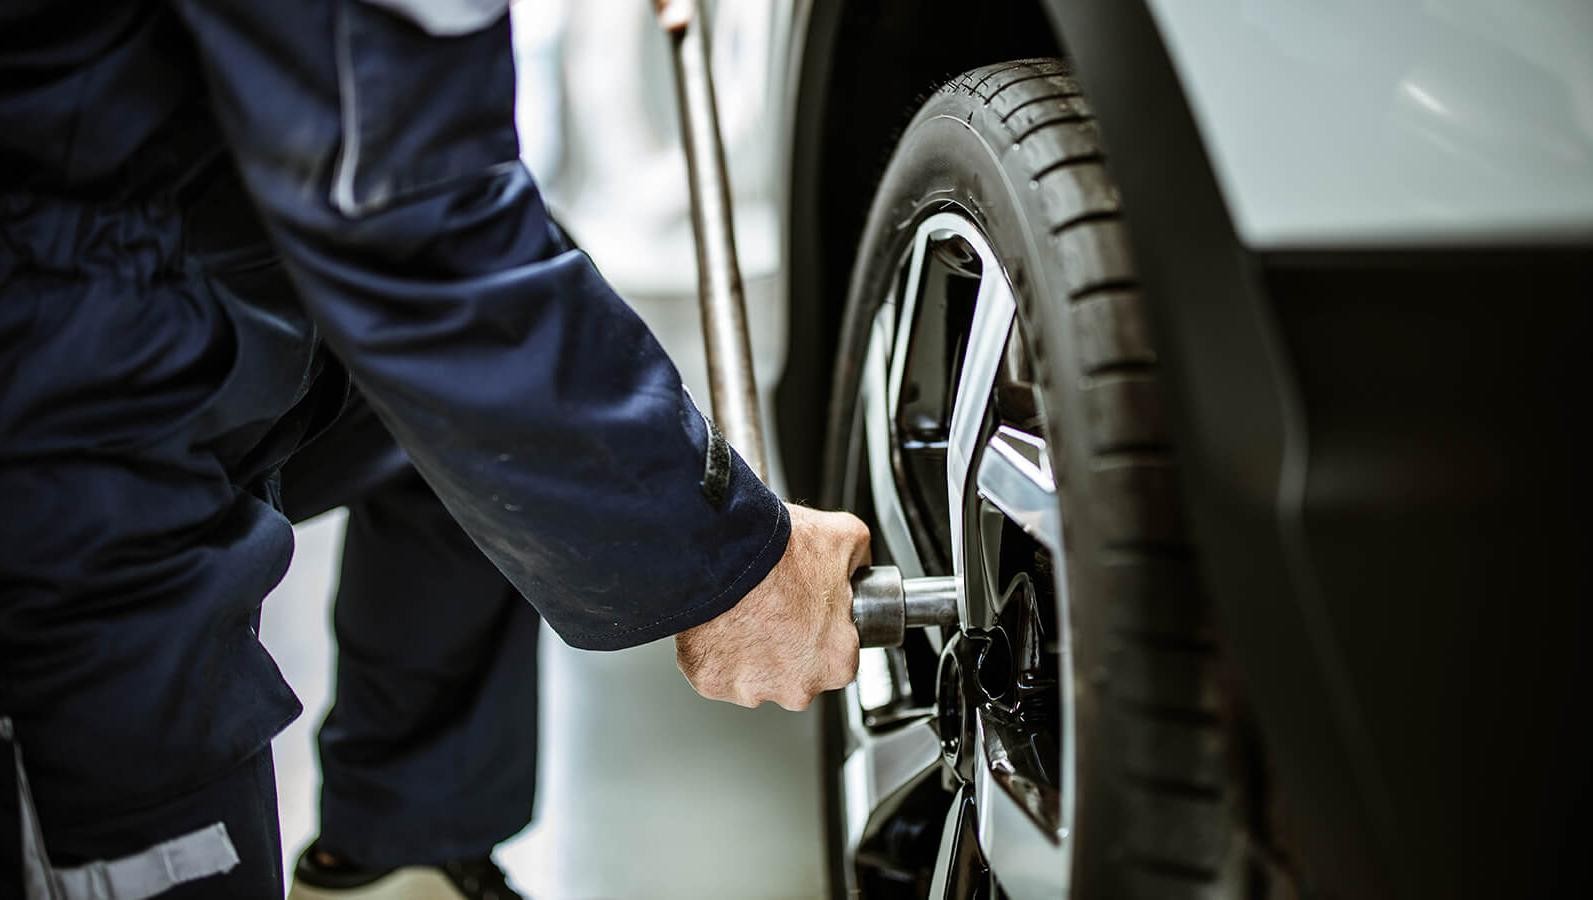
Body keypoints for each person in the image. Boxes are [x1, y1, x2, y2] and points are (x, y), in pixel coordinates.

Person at [0, 1, 866, 898]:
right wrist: (732, 559)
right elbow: (415, 229)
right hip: (53, 412)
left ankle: (402, 847)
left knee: (491, 417)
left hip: (127, 275)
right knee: (493, 374)